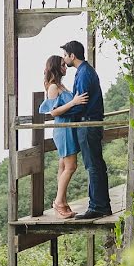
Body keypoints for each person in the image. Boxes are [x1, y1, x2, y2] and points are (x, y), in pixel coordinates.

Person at [61, 40, 112, 220]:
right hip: (90, 122)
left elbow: (81, 103)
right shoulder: (85, 71)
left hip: (88, 123)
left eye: (65, 55)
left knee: (93, 166)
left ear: (72, 56)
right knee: (95, 165)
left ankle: (98, 206)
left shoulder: (84, 74)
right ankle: (100, 205)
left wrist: (61, 113)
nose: (64, 59)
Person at [38, 55, 88, 219]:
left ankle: (63, 202)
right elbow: (53, 112)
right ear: (55, 67)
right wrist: (74, 102)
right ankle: (59, 203)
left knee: (63, 167)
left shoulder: (61, 85)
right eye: (62, 65)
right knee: (71, 166)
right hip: (63, 129)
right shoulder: (53, 87)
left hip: (69, 128)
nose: (65, 67)